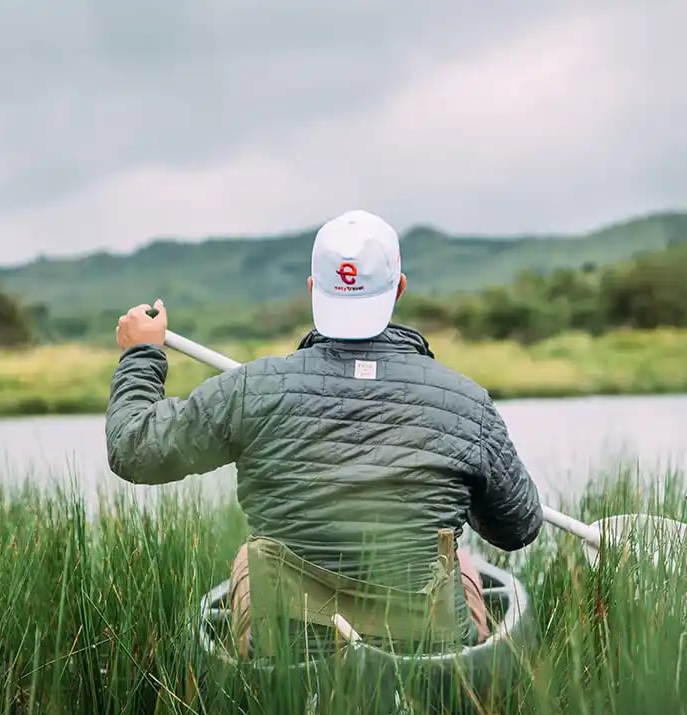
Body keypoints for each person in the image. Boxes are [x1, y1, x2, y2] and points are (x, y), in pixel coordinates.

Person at [106, 209, 543, 657]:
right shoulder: (466, 402)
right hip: (429, 651)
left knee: (247, 561)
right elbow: (518, 528)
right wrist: (461, 492)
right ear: (399, 288)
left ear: (314, 288)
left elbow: (134, 448)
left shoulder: (251, 389)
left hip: (290, 653)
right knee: (461, 562)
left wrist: (142, 353)